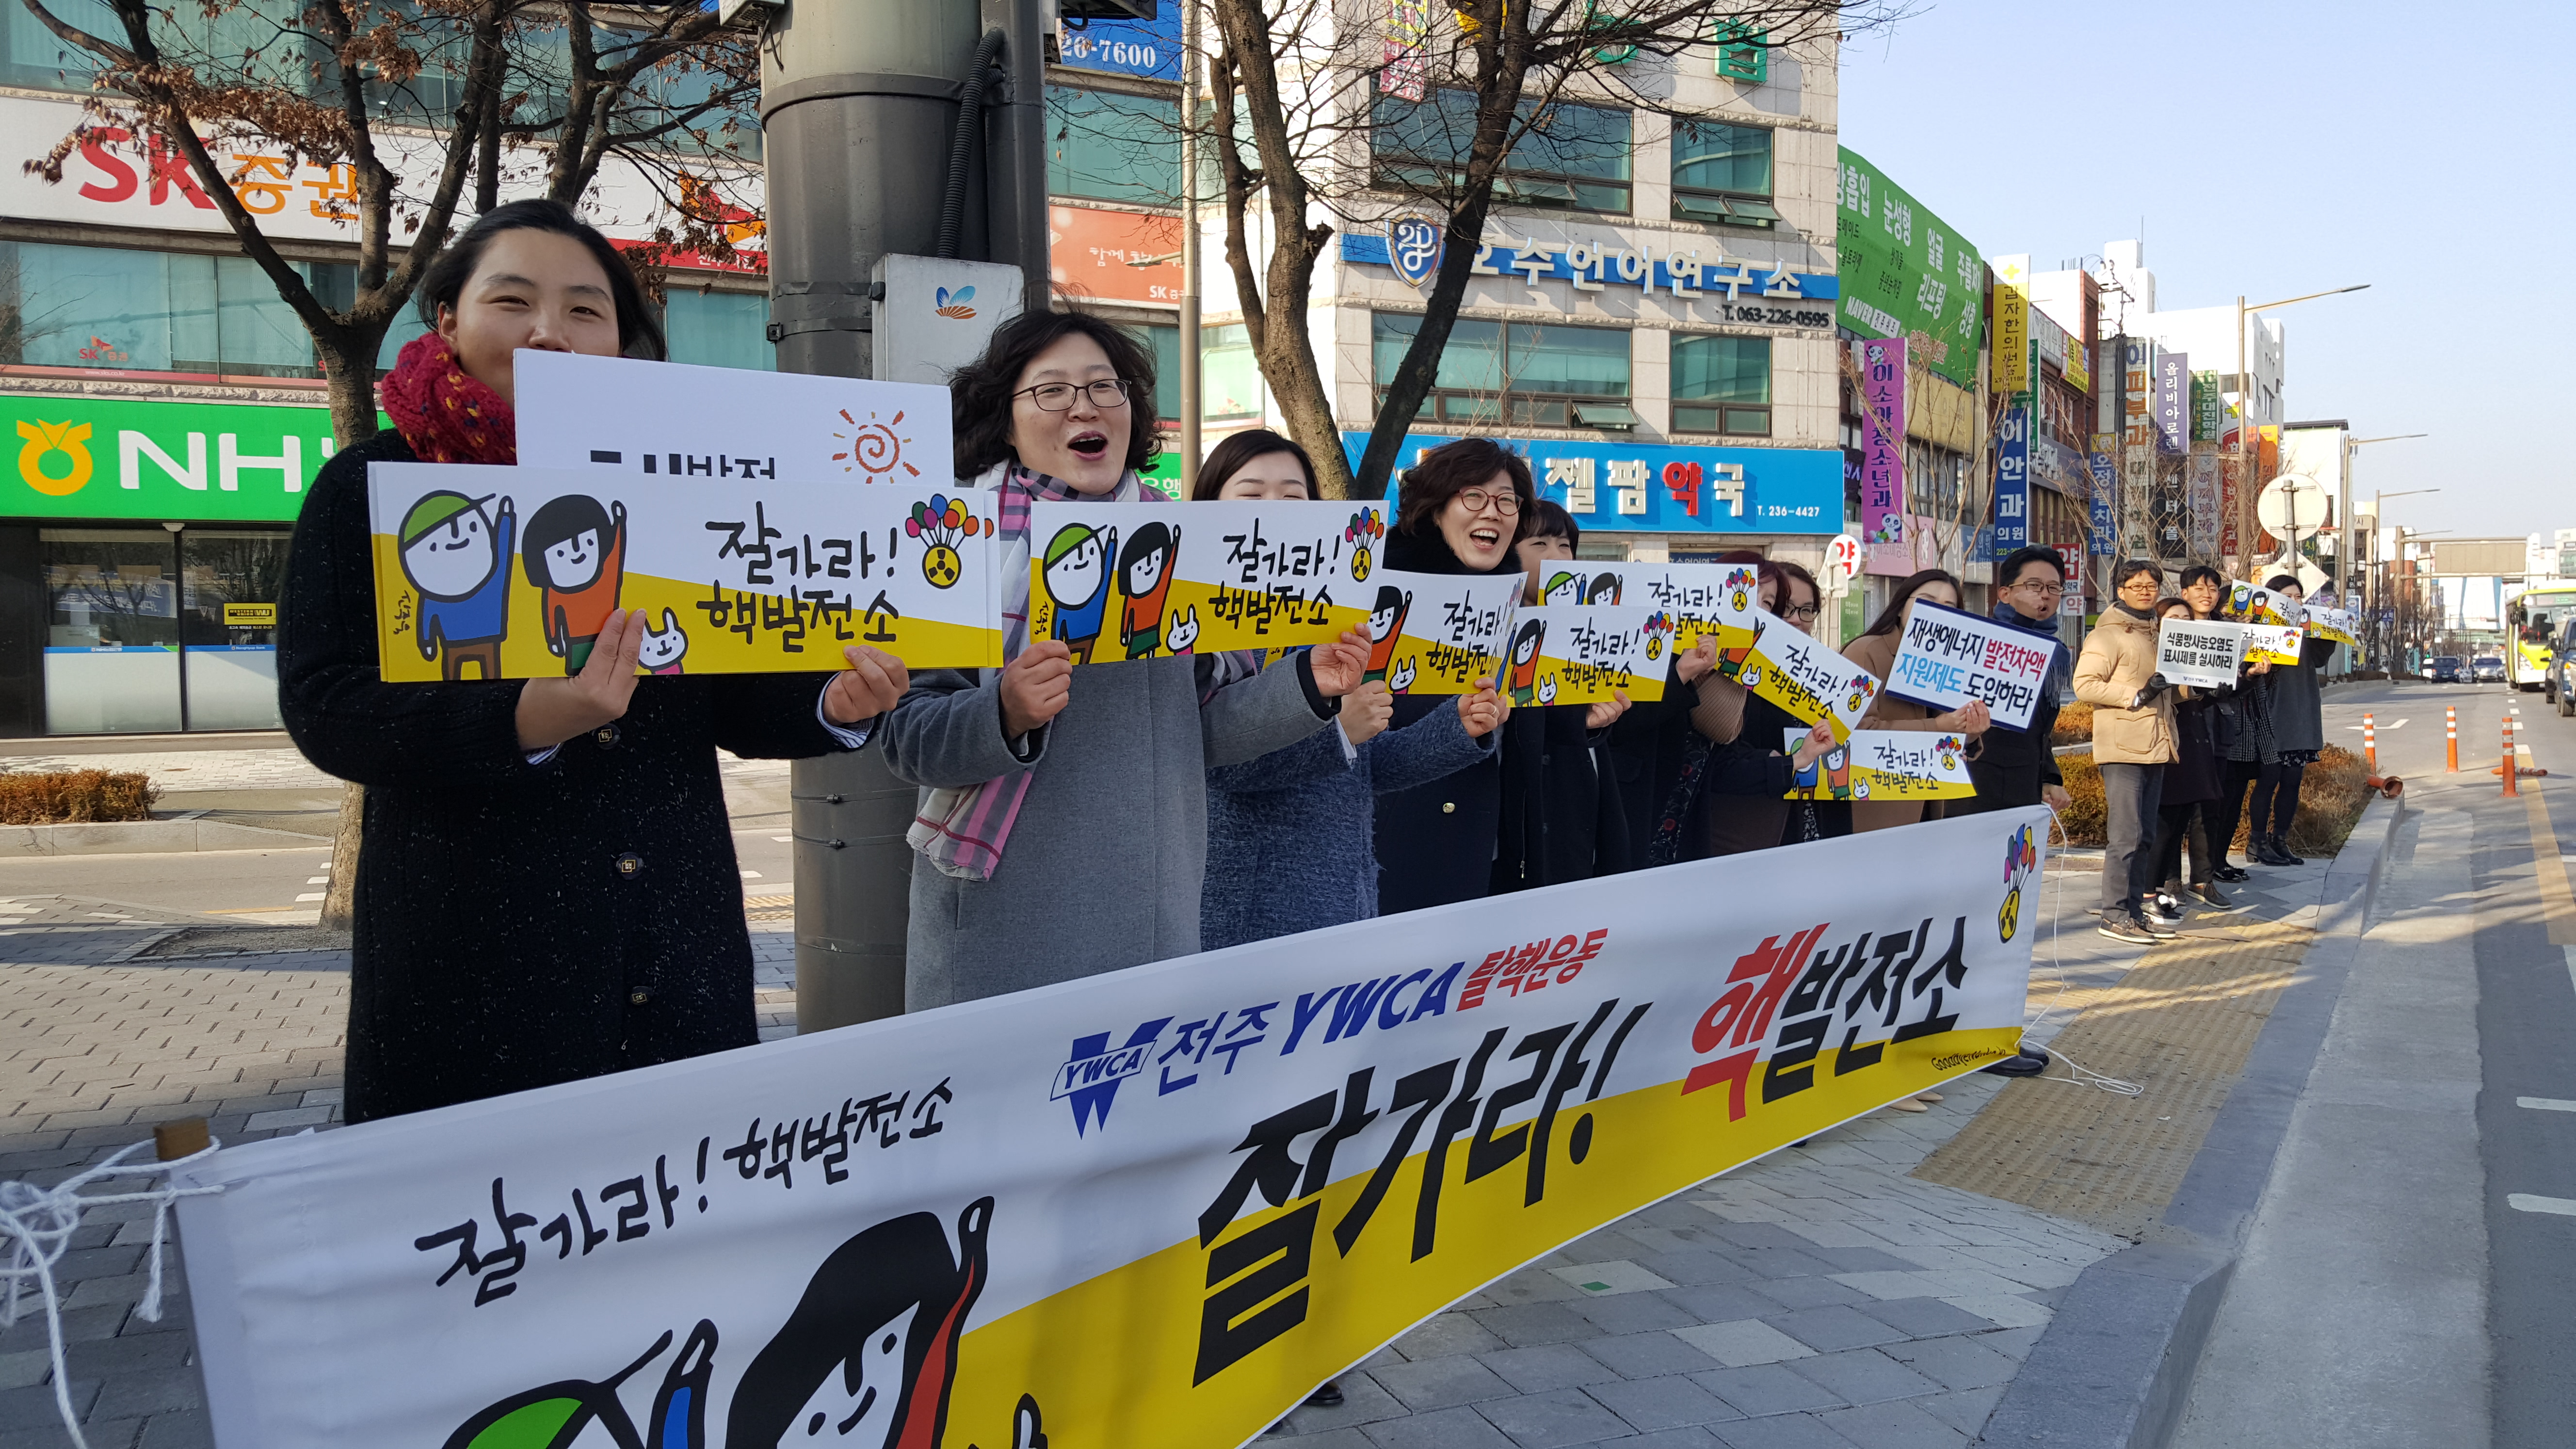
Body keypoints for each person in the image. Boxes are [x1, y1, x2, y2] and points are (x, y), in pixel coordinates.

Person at [277, 199, 910, 1123]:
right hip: (474, 987)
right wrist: (522, 721)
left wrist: (834, 702)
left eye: (584, 309)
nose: (549, 331)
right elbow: (327, 703)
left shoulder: (675, 486)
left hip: (675, 965)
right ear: (447, 318)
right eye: (513, 301)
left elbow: (733, 694)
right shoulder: (372, 486)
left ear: (618, 341)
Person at [877, 313, 1367, 1010]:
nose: (1085, 407)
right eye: (1052, 390)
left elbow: (1203, 731)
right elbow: (906, 738)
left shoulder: (1184, 545)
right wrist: (1004, 712)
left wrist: (1306, 685)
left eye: (1105, 387)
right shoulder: (952, 541)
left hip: (1155, 928)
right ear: (1005, 421)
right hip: (1003, 936)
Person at [1195, 430, 1505, 949]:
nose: (1275, 509)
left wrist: (1456, 727)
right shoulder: (1200, 621)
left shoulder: (1333, 616)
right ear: (1208, 507)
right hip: (1254, 919)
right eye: (1251, 494)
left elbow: (1364, 769)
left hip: (1346, 902)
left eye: (1293, 496)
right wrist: (1336, 731)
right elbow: (1216, 761)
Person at [1372, 439, 1541, 913]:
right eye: (1473, 496)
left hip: (1494, 852)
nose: (1493, 512)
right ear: (1435, 508)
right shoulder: (1379, 598)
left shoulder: (1516, 607)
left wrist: (1589, 723)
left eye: (1506, 501)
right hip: (1399, 857)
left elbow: (1528, 722)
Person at [1494, 499, 1636, 890]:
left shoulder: (1591, 629)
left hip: (1577, 811)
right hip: (1518, 824)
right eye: (1539, 544)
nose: (1557, 557)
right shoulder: (1494, 628)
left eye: (1565, 545)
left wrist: (1595, 722)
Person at [1679, 560, 1844, 856]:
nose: (1796, 620)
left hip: (1806, 821)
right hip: (1745, 832)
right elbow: (1719, 760)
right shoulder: (1732, 670)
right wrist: (1782, 761)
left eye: (1807, 610)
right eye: (1785, 608)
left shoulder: (1823, 674)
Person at [1840, 568, 1992, 833]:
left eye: (1948, 607)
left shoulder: (1954, 664)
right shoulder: (1866, 651)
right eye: (1926, 601)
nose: (1936, 612)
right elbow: (1855, 732)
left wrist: (1967, 734)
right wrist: (1939, 727)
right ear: (1901, 607)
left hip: (1927, 809)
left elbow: (1950, 742)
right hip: (1874, 810)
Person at [2076, 560, 2180, 945]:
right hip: (2122, 746)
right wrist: (2137, 694)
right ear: (2120, 591)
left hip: (2157, 743)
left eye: (2152, 586)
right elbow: (2085, 684)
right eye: (2137, 586)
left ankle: (2134, 912)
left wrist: (2197, 689)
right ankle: (2115, 914)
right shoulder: (2108, 634)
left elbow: (2167, 692)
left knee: (2145, 835)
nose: (2146, 592)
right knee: (2125, 837)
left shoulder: (2158, 632)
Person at [1955, 547, 2072, 818]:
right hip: (1975, 789)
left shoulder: (2055, 653)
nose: (2045, 594)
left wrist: (2049, 776)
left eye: (2053, 587)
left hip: (2023, 790)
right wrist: (2023, 621)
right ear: (2005, 594)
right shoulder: (1981, 643)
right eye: (2034, 586)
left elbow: (2038, 730)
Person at [2145, 594, 2241, 921]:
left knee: (2203, 811)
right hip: (2168, 739)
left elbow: (2208, 696)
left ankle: (2202, 880)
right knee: (2168, 818)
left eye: (2187, 620)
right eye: (2174, 619)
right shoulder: (2151, 651)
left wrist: (2241, 679)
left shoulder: (2201, 650)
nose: (2182, 625)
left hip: (2198, 738)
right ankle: (2162, 884)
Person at [2247, 575, 2332, 865]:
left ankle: (2280, 839)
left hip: (2300, 711)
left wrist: (2329, 630)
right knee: (2269, 779)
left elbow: (2319, 659)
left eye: (2299, 597)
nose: (2295, 602)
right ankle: (2257, 841)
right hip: (2271, 711)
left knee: (2293, 779)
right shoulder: (2259, 628)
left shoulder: (2306, 629)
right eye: (2288, 597)